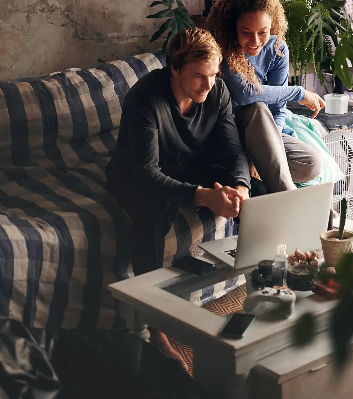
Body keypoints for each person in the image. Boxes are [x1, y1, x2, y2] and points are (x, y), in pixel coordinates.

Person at [106, 27, 250, 363]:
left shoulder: (217, 92)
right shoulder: (146, 98)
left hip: (189, 167)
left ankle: (264, 287)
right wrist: (202, 197)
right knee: (151, 214)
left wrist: (240, 187)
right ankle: (155, 330)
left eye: (213, 75)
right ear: (174, 68)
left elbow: (233, 151)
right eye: (199, 76)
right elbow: (146, 174)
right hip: (136, 176)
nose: (208, 85)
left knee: (253, 190)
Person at [206, 0, 325, 192]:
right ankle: (289, 198)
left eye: (263, 32)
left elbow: (278, 109)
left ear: (273, 24)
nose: (255, 41)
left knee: (312, 164)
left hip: (263, 136)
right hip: (230, 134)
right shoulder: (223, 47)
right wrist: (299, 93)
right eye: (246, 32)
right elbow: (246, 94)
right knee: (258, 109)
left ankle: (260, 174)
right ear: (233, 26)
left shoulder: (277, 49)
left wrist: (267, 150)